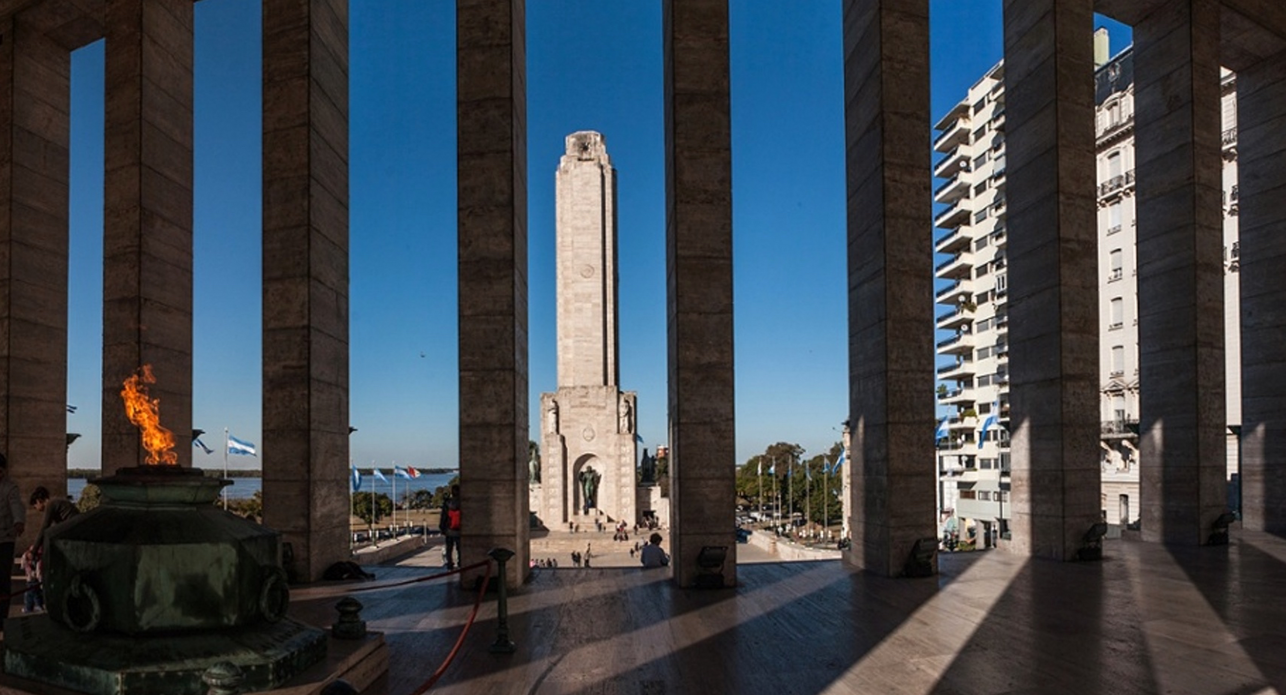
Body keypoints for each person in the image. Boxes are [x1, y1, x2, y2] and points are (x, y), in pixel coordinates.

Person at [0, 454, 26, 614]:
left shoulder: (10, 488)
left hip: (5, 539)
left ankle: (2, 616)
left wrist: (19, 521)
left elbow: (16, 505)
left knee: (2, 578)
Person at [438, 484, 461, 570]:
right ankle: (460, 562)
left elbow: (444, 516)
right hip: (459, 529)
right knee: (459, 548)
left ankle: (450, 563)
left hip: (449, 529)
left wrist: (442, 527)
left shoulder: (447, 503)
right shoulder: (463, 503)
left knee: (449, 548)